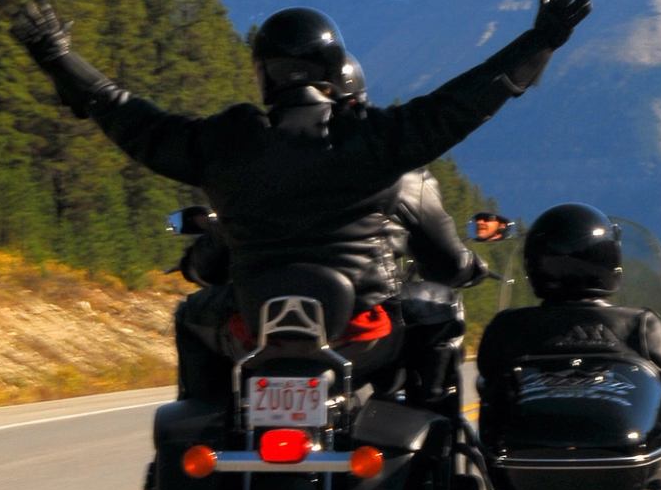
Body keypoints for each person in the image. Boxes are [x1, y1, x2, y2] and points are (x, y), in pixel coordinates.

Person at [10, 0, 591, 401]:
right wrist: (540, 41)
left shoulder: (224, 142)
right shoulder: (374, 139)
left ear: (263, 72)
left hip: (252, 332)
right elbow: (463, 103)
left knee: (194, 315)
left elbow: (124, 113)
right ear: (335, 66)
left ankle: (208, 424)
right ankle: (440, 468)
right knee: (435, 318)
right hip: (362, 331)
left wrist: (59, 58)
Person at [171, 56, 487, 408]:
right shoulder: (397, 170)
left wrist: (196, 262)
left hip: (259, 333)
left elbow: (211, 260)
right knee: (438, 309)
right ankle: (433, 423)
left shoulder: (259, 169)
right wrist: (470, 268)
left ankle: (205, 414)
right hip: (359, 331)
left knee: (193, 314)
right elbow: (445, 261)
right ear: (353, 102)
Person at [473, 202, 661, 402]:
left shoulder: (507, 327)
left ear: (533, 263)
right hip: (622, 436)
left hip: (521, 436)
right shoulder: (640, 325)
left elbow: (487, 378)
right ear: (610, 259)